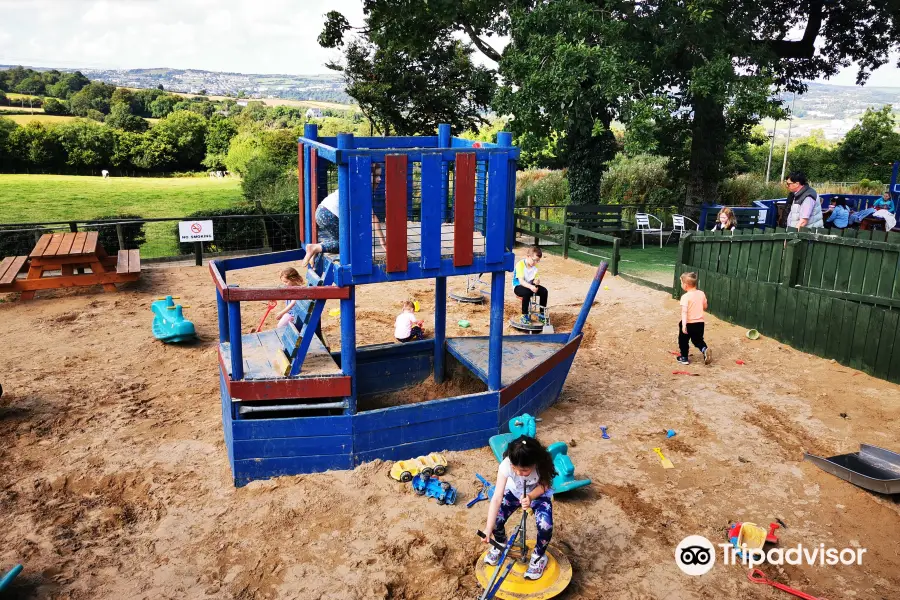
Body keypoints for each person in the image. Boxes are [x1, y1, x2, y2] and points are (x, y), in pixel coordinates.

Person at [482, 436, 556, 581]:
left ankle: (538, 557)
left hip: (537, 495)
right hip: (514, 493)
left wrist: (530, 497)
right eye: (514, 468)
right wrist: (488, 528)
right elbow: (497, 497)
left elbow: (545, 485)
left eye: (524, 470)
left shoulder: (542, 464)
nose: (517, 473)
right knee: (497, 520)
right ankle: (500, 543)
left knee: (545, 526)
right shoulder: (506, 465)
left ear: (534, 463)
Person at [300, 164, 387, 270]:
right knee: (349, 245)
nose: (379, 179)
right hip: (330, 215)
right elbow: (372, 218)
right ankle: (314, 248)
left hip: (322, 210)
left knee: (338, 240)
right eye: (376, 176)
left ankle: (315, 251)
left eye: (380, 175)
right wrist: (383, 241)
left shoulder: (355, 183)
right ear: (367, 175)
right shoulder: (362, 190)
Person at [677, 271, 710, 365]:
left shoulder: (685, 297)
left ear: (685, 285)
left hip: (688, 323)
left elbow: (684, 312)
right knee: (698, 340)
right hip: (700, 323)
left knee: (683, 341)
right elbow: (705, 306)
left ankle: (684, 358)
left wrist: (683, 325)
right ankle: (704, 350)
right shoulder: (701, 294)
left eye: (681, 283)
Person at [513, 246, 548, 325]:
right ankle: (524, 315)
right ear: (528, 256)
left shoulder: (535, 266)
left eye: (538, 261)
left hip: (530, 286)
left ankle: (541, 314)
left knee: (544, 291)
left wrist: (537, 282)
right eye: (534, 260)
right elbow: (521, 281)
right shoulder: (520, 264)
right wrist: (531, 287)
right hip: (518, 286)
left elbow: (536, 279)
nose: (535, 263)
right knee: (527, 292)